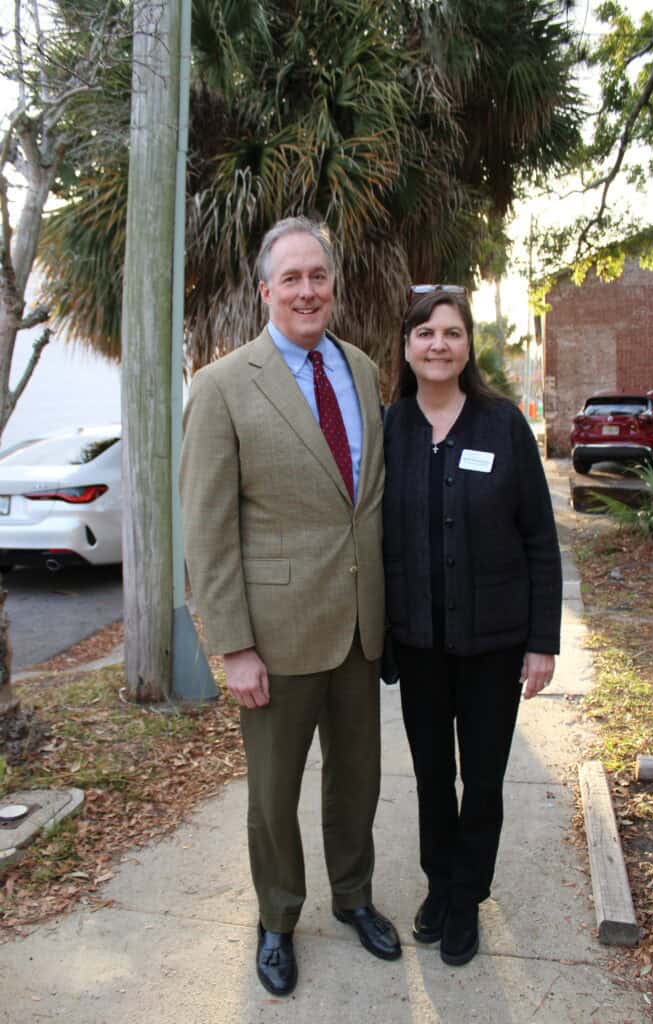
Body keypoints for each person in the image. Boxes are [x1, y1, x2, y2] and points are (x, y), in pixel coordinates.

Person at [179, 217, 401, 998]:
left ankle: (354, 897)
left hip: (359, 626)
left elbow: (364, 505)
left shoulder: (365, 370)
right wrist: (232, 645)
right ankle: (277, 917)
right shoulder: (221, 385)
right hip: (273, 636)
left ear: (333, 286)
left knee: (358, 781)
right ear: (265, 289)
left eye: (319, 276)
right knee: (273, 793)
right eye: (292, 278)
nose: (307, 290)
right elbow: (205, 528)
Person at [383, 286, 562, 967]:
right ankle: (438, 885)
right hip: (418, 643)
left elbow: (539, 539)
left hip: (493, 645)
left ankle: (466, 899)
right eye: (424, 332)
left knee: (481, 780)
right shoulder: (390, 427)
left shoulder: (501, 424)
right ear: (406, 346)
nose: (437, 344)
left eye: (451, 332)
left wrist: (541, 641)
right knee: (432, 776)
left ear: (467, 346)